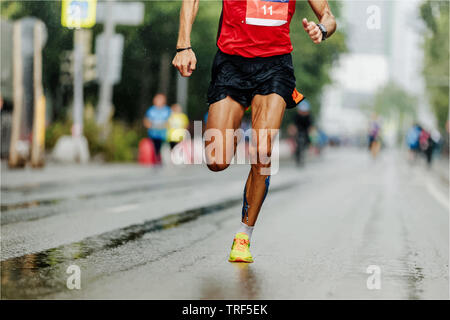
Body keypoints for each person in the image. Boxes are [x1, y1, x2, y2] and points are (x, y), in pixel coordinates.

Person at [173, 0, 336, 263]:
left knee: (262, 150)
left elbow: (328, 16)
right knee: (217, 160)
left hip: (275, 68)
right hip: (231, 63)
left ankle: (243, 236)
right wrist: (184, 45)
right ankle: (236, 126)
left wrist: (322, 29)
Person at [143, 93, 171, 164]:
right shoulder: (151, 110)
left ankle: (164, 160)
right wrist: (151, 126)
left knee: (164, 149)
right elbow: (146, 121)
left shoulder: (167, 110)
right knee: (155, 149)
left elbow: (171, 121)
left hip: (164, 135)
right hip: (154, 134)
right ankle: (156, 160)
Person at [294, 99, 313, 166]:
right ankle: (297, 156)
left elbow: (310, 126)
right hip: (299, 132)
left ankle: (305, 151)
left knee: (307, 142)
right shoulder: (297, 116)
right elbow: (294, 125)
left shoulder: (309, 117)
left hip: (305, 132)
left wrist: (311, 132)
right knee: (297, 143)